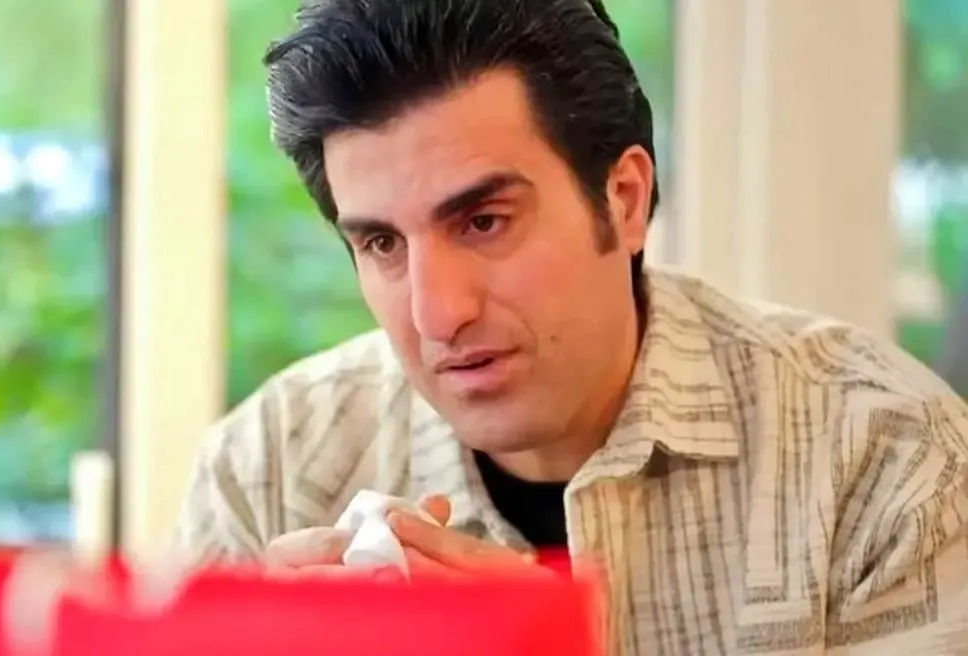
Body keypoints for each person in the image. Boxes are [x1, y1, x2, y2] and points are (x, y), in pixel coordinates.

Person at [170, 0, 968, 652]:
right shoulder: (271, 469)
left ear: (624, 200)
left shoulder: (888, 463)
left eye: (484, 221)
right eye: (382, 244)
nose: (438, 313)